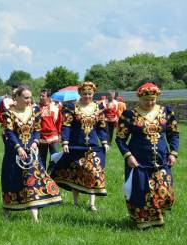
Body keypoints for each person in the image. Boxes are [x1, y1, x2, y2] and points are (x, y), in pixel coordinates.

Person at [115, 83, 179, 229]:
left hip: (162, 160)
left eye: (152, 99)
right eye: (146, 100)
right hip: (138, 162)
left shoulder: (166, 112)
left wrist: (174, 153)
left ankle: (158, 214)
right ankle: (144, 222)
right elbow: (120, 138)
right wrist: (128, 155)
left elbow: (173, 133)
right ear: (139, 99)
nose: (149, 102)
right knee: (142, 193)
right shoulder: (129, 115)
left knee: (165, 192)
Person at [1, 86, 62, 221]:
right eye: (26, 97)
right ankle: (7, 211)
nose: (29, 100)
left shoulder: (34, 111)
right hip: (14, 153)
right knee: (11, 181)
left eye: (30, 97)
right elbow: (9, 133)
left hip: (32, 152)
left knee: (33, 181)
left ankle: (35, 217)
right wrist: (18, 148)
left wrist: (35, 141)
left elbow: (37, 129)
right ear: (16, 98)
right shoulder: (8, 113)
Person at [50, 82, 109, 211]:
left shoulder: (98, 108)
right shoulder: (72, 107)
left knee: (93, 172)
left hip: (93, 146)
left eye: (90, 93)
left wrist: (104, 141)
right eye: (84, 94)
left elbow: (101, 127)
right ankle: (76, 202)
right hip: (75, 145)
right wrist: (65, 142)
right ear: (80, 94)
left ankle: (92, 203)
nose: (87, 96)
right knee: (76, 173)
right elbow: (66, 126)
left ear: (93, 93)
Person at [38, 88, 62, 168]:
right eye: (40, 96)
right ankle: (42, 176)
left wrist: (59, 134)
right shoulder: (36, 108)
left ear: (48, 97)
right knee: (41, 159)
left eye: (43, 96)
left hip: (53, 137)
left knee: (55, 158)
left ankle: (52, 174)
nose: (41, 97)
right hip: (41, 137)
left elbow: (59, 122)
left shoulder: (55, 108)